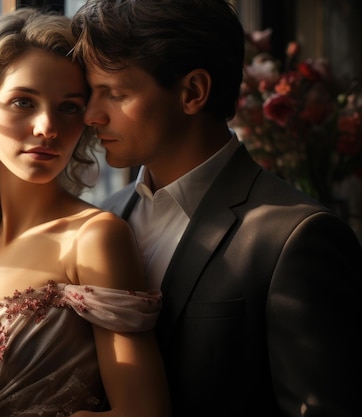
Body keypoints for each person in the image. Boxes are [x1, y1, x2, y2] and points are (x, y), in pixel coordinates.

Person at [70, 1, 362, 416]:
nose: (92, 115)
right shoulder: (105, 218)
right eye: (89, 93)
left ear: (192, 92)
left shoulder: (295, 236)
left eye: (115, 94)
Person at [0, 7, 171, 417]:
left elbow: (143, 414)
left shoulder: (93, 238)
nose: (47, 127)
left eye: (69, 107)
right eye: (23, 102)